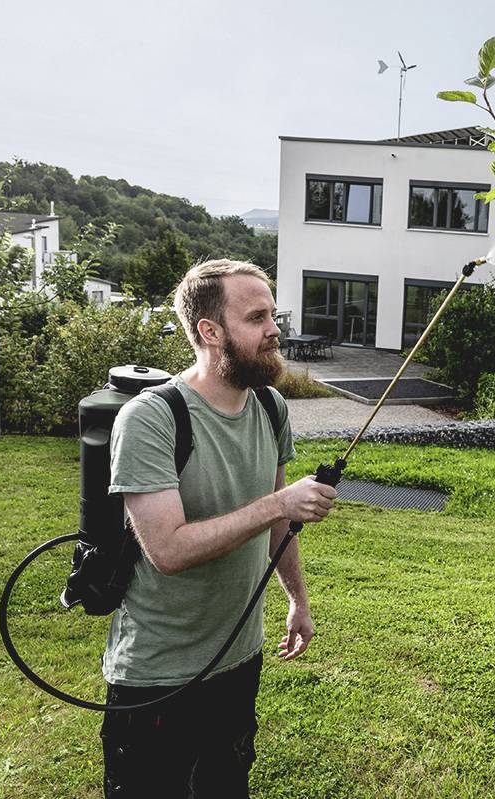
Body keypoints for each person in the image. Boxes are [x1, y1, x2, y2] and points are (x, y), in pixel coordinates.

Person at [99, 259, 338, 797]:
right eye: (257, 317)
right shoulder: (150, 419)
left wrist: (297, 599)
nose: (275, 329)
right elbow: (168, 550)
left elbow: (280, 523)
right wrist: (279, 500)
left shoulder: (271, 407)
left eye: (274, 314)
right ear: (210, 331)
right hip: (158, 674)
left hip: (238, 659)